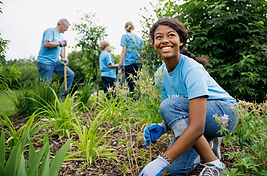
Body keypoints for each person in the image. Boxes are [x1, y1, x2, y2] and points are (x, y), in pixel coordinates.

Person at [140, 17, 238, 176]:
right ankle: (209, 140)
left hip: (224, 113)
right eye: (159, 37)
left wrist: (161, 160)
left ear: (181, 41)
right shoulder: (160, 75)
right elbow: (180, 114)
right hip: (198, 117)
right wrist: (163, 126)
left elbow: (195, 124)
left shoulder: (192, 69)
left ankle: (214, 164)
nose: (165, 40)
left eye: (171, 35)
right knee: (173, 170)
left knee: (169, 107)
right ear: (154, 44)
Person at [37, 18, 74, 101]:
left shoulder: (61, 37)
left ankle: (63, 97)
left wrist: (64, 58)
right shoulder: (50, 31)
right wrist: (59, 43)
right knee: (46, 85)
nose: (67, 30)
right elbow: (46, 43)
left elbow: (60, 50)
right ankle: (44, 104)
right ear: (62, 24)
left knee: (70, 74)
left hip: (55, 63)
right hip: (45, 62)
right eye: (66, 27)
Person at [118, 21, 143, 95]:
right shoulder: (139, 39)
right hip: (138, 63)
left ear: (125, 28)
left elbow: (124, 51)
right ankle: (139, 102)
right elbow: (141, 53)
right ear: (133, 27)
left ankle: (133, 103)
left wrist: (120, 64)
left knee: (131, 86)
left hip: (129, 63)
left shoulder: (125, 36)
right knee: (137, 84)